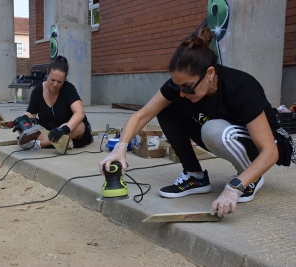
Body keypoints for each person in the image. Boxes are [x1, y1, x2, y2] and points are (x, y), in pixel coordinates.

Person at [99, 27, 296, 217]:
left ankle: (249, 177)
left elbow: (270, 151)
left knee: (214, 129)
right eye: (178, 86)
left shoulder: (241, 88)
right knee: (168, 107)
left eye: (188, 87)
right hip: (224, 135)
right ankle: (195, 176)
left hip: (266, 145)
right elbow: (141, 115)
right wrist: (121, 148)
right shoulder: (182, 87)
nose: (182, 93)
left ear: (209, 74)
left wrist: (234, 187)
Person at [18, 55, 92, 150]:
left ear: (64, 79)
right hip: (47, 130)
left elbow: (79, 112)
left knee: (80, 127)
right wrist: (23, 119)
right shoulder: (38, 90)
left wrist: (64, 129)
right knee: (22, 128)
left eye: (60, 82)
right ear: (47, 73)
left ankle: (42, 144)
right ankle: (61, 142)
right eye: (52, 80)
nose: (55, 84)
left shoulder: (69, 89)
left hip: (67, 130)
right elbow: (31, 113)